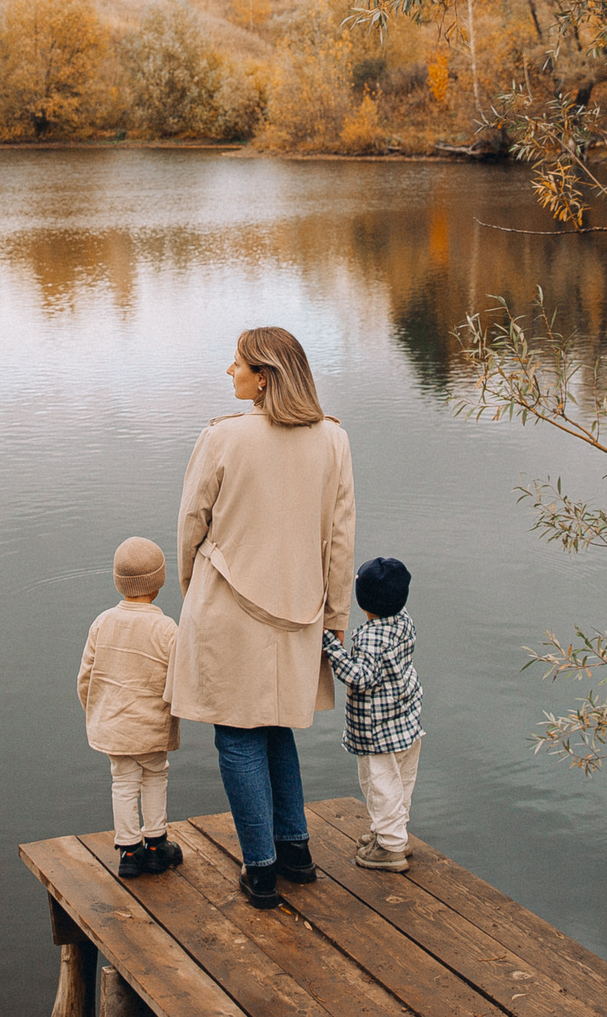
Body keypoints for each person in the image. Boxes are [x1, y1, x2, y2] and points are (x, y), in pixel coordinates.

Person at [171, 326, 357, 909]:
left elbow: (190, 524)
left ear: (265, 377)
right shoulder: (333, 440)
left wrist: (190, 586)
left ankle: (261, 869)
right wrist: (336, 615)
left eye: (238, 365)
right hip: (301, 608)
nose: (230, 372)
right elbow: (339, 539)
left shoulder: (222, 438)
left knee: (237, 734)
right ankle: (296, 851)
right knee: (276, 725)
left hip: (229, 602)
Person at [77, 537, 184, 878]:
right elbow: (179, 681)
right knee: (155, 776)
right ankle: (156, 845)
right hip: (151, 727)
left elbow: (86, 678)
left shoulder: (102, 623)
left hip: (114, 727)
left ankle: (128, 851)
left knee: (122, 782)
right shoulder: (167, 629)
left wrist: (96, 711)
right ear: (159, 581)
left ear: (117, 581)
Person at [322, 556, 423, 871]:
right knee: (401, 781)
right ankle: (393, 835)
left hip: (377, 730)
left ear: (362, 601)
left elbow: (360, 677)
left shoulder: (369, 637)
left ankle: (390, 849)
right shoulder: (404, 620)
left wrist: (332, 647)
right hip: (406, 720)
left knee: (379, 784)